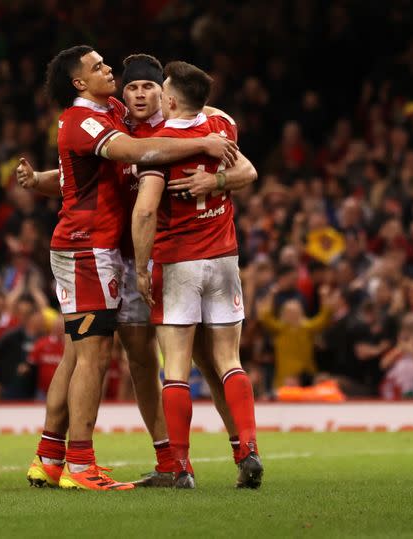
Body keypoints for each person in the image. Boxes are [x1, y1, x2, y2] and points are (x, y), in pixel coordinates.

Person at [20, 53, 255, 489]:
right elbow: (101, 164)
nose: (138, 92)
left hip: (169, 258)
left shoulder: (183, 120)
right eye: (131, 86)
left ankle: (242, 449)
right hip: (116, 256)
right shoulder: (117, 125)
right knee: (129, 357)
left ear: (164, 93)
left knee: (199, 357)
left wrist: (217, 177)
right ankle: (163, 459)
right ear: (123, 96)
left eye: (149, 86)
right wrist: (41, 181)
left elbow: (245, 168)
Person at [132, 61, 262, 489]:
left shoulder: (159, 142)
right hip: (224, 258)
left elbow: (148, 209)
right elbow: (248, 172)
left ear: (169, 99)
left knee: (176, 369)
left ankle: (181, 467)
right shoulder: (222, 124)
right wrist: (218, 180)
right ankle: (248, 451)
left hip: (179, 261)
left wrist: (140, 265)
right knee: (230, 361)